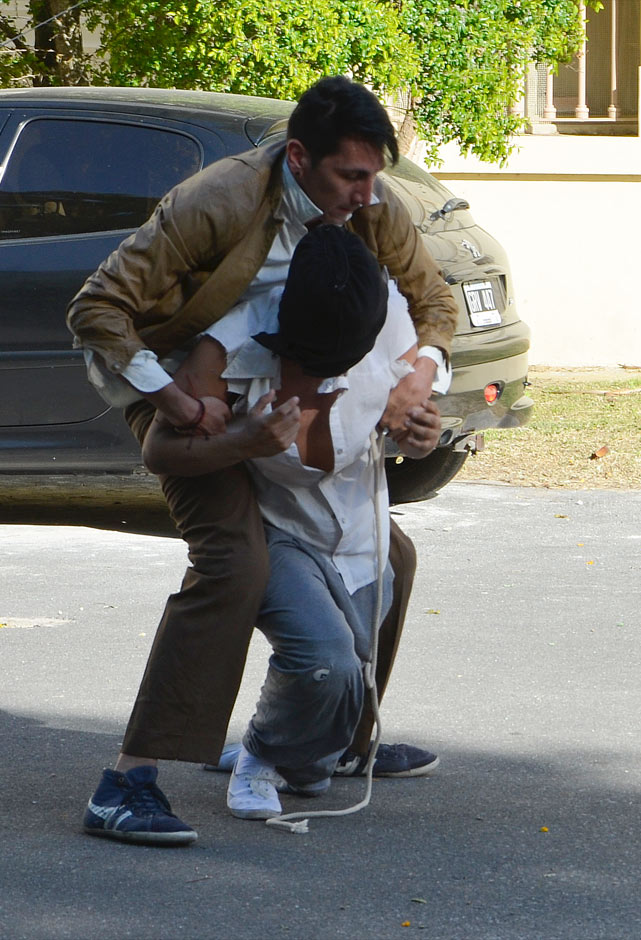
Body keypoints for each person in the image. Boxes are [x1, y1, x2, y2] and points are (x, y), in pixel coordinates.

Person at [69, 76, 456, 846]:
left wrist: (417, 383)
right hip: (192, 382)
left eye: (375, 174)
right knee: (237, 565)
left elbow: (434, 303)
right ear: (301, 158)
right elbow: (97, 308)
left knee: (394, 553)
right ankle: (125, 782)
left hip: (307, 370)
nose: (368, 192)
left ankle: (341, 736)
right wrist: (178, 401)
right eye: (352, 175)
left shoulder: (372, 204)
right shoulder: (216, 201)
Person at [141, 225, 443, 820]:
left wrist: (420, 436)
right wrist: (241, 439)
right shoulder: (228, 349)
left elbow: (423, 405)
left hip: (360, 532)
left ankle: (310, 754)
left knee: (341, 697)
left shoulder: (386, 323)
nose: (331, 379)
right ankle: (259, 752)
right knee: (323, 663)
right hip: (279, 529)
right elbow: (160, 453)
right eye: (315, 361)